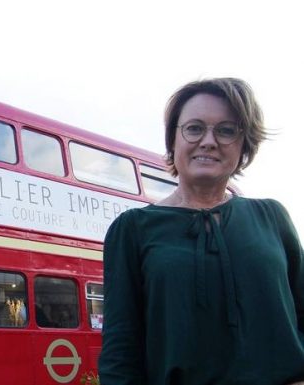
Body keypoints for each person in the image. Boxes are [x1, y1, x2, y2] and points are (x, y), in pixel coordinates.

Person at [98, 78, 304, 385]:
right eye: (194, 128)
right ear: (173, 140)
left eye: (226, 130)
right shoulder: (132, 229)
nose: (209, 141)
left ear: (244, 144)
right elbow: (120, 352)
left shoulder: (272, 217)